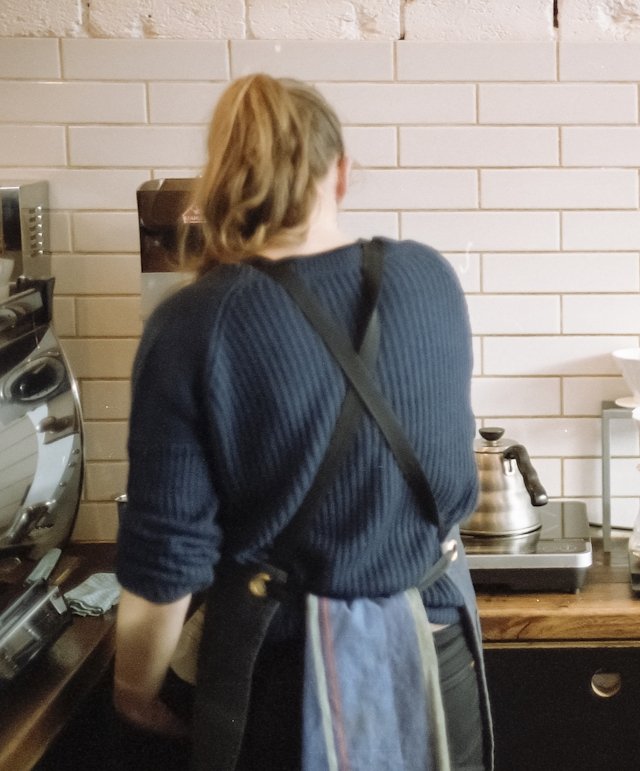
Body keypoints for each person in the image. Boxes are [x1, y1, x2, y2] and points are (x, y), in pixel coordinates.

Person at [113, 73, 488, 770]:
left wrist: (134, 690)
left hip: (285, 680)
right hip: (435, 647)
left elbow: (168, 560)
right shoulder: (429, 277)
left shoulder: (192, 324)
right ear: (340, 176)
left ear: (218, 185)